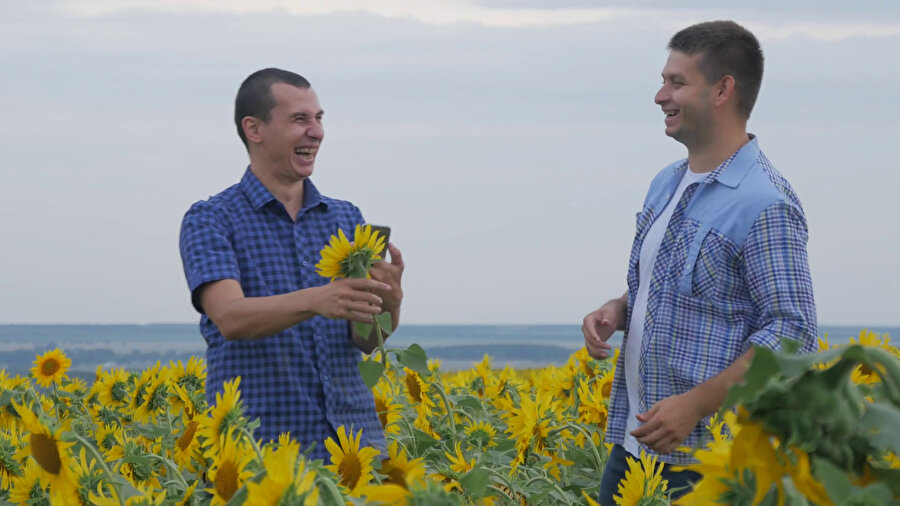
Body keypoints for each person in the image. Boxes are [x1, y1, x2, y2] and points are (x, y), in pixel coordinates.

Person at [582, 21, 816, 504]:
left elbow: (792, 333)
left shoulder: (764, 202)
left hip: (707, 464)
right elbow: (674, 281)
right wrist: (620, 307)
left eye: (677, 82)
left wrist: (696, 405)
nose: (659, 95)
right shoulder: (667, 183)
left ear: (722, 90)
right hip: (632, 450)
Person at [179, 68, 404, 460]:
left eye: (318, 118)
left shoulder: (346, 217)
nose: (315, 132)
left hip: (356, 449)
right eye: (299, 119)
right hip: (264, 453)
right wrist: (317, 299)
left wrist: (390, 302)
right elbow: (230, 317)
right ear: (255, 129)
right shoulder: (211, 218)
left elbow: (367, 341)